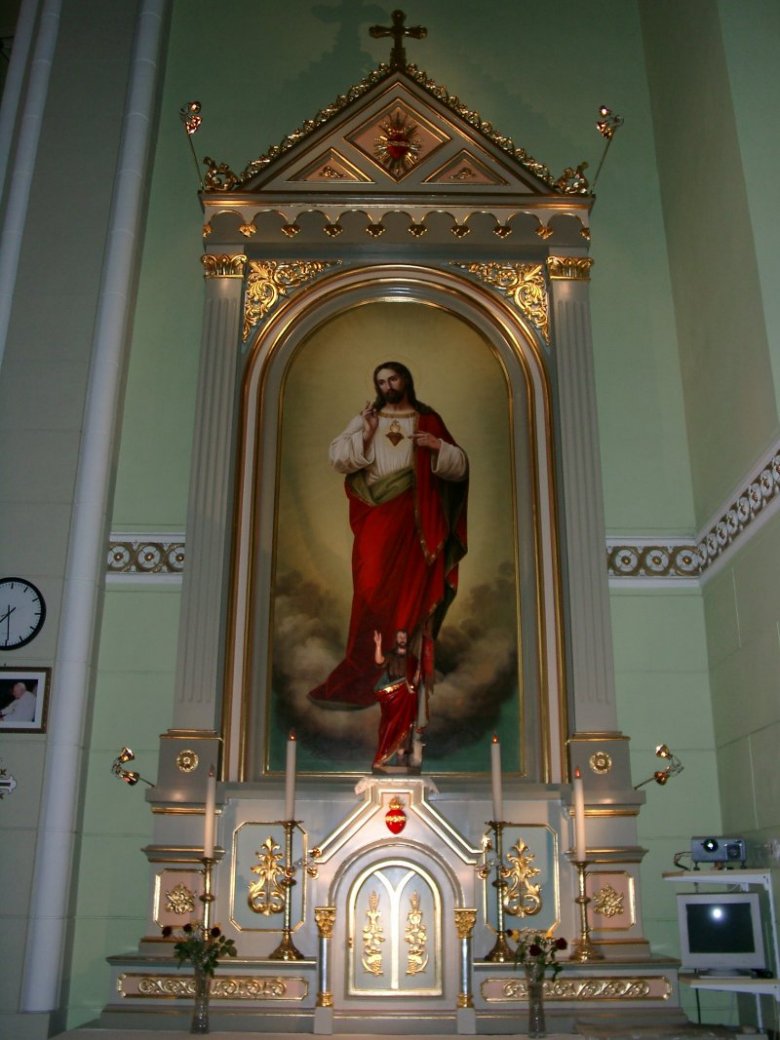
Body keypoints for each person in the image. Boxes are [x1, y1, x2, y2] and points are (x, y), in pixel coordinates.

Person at [308, 361, 468, 742]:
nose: (387, 386)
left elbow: (460, 467)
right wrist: (364, 434)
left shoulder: (428, 420)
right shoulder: (368, 418)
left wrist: (437, 447)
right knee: (370, 586)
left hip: (414, 520)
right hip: (376, 515)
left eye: (392, 379)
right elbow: (338, 458)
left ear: (405, 380)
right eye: (380, 382)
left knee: (409, 592)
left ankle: (404, 672)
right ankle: (363, 667)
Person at [372, 629, 419, 769]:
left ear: (407, 639)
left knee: (406, 726)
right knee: (388, 726)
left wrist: (412, 685)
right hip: (392, 697)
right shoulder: (391, 656)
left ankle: (401, 757)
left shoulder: (412, 659)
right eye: (400, 636)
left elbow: (416, 677)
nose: (402, 639)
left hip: (407, 696)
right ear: (396, 639)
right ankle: (382, 757)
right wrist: (378, 645)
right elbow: (379, 661)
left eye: (404, 636)